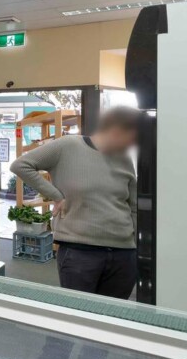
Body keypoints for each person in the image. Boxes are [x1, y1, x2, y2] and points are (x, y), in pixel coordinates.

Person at [10, 107, 141, 299]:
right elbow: (20, 165)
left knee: (112, 316)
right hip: (80, 253)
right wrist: (55, 195)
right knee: (79, 314)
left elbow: (134, 206)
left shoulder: (124, 159)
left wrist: (135, 245)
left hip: (123, 254)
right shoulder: (68, 146)